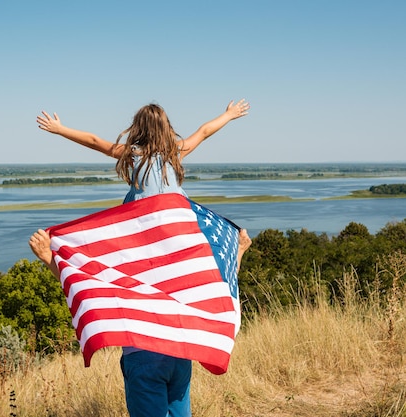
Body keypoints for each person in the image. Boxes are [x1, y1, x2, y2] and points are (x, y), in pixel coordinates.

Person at [29, 100, 252, 417]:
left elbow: (96, 142)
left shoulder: (133, 156)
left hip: (144, 353)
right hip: (180, 351)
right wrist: (228, 115)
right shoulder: (175, 153)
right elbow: (204, 131)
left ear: (138, 130)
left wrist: (59, 128)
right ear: (166, 129)